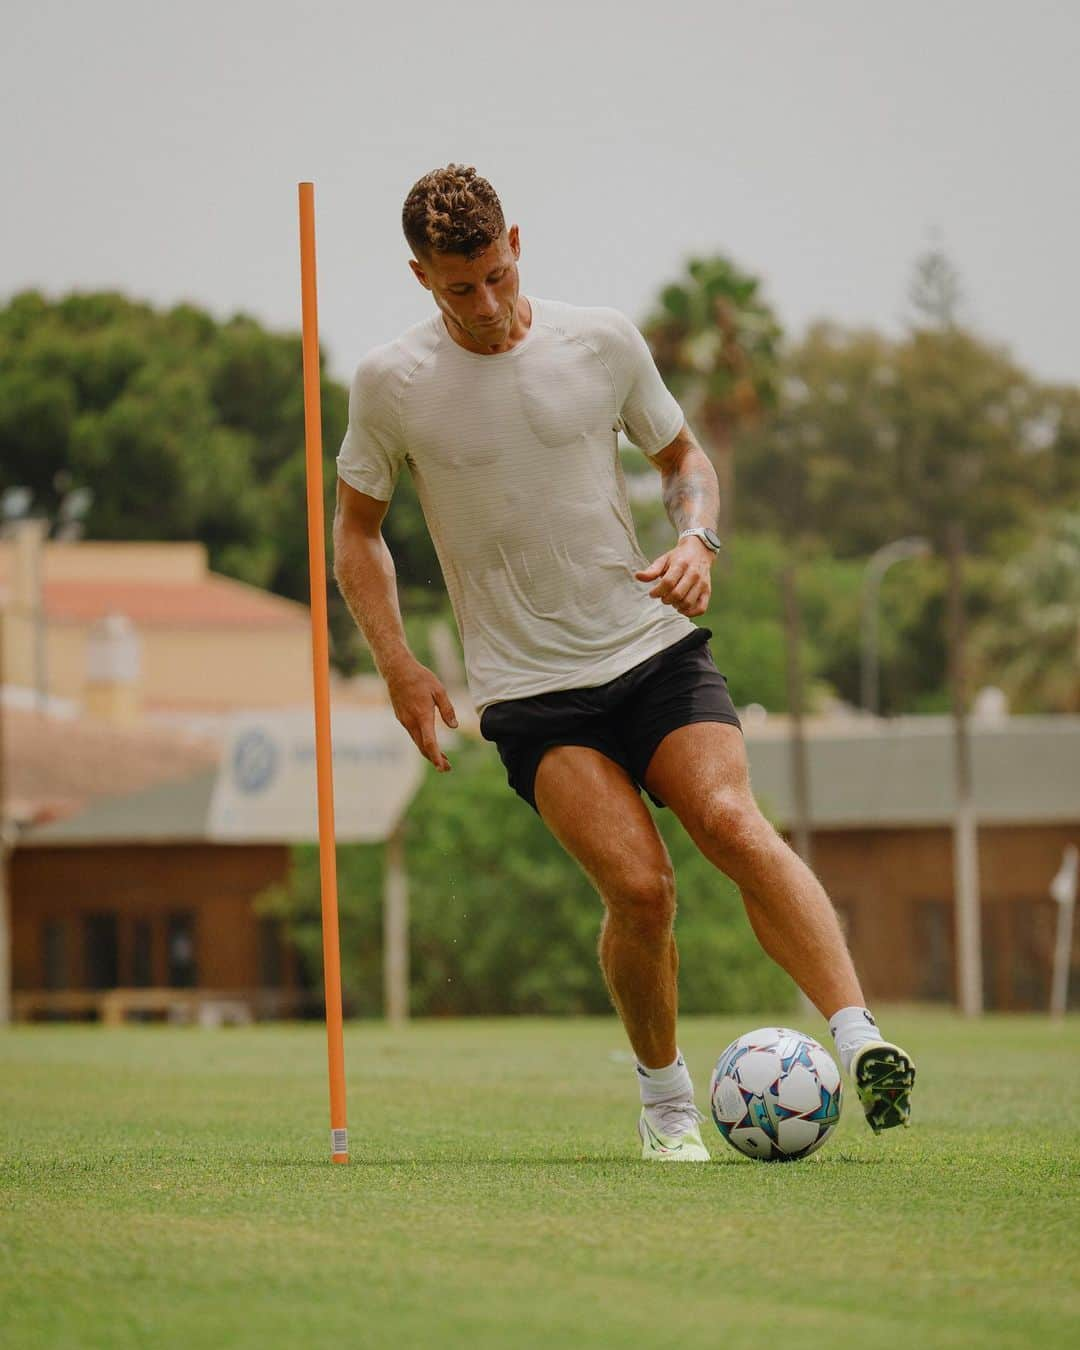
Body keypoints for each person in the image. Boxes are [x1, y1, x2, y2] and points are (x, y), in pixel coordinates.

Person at [333, 164, 915, 1160]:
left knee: (729, 819)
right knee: (642, 892)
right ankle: (667, 1109)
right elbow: (357, 534)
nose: (484, 304)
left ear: (516, 243)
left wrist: (698, 543)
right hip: (529, 690)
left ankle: (861, 1038)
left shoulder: (598, 341)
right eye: (456, 287)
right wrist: (395, 663)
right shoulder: (393, 384)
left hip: (650, 649)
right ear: (420, 275)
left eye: (495, 276)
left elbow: (686, 463)